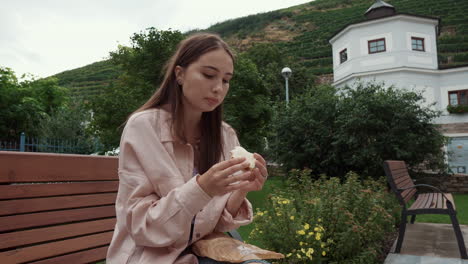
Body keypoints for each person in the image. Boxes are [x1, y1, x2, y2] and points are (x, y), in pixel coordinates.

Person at [106, 33, 270, 264]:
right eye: (208, 75)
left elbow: (216, 224)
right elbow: (142, 227)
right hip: (150, 256)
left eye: (226, 80)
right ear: (180, 74)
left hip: (203, 251)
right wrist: (202, 189)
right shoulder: (144, 127)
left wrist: (241, 189)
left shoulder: (225, 135)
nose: (218, 88)